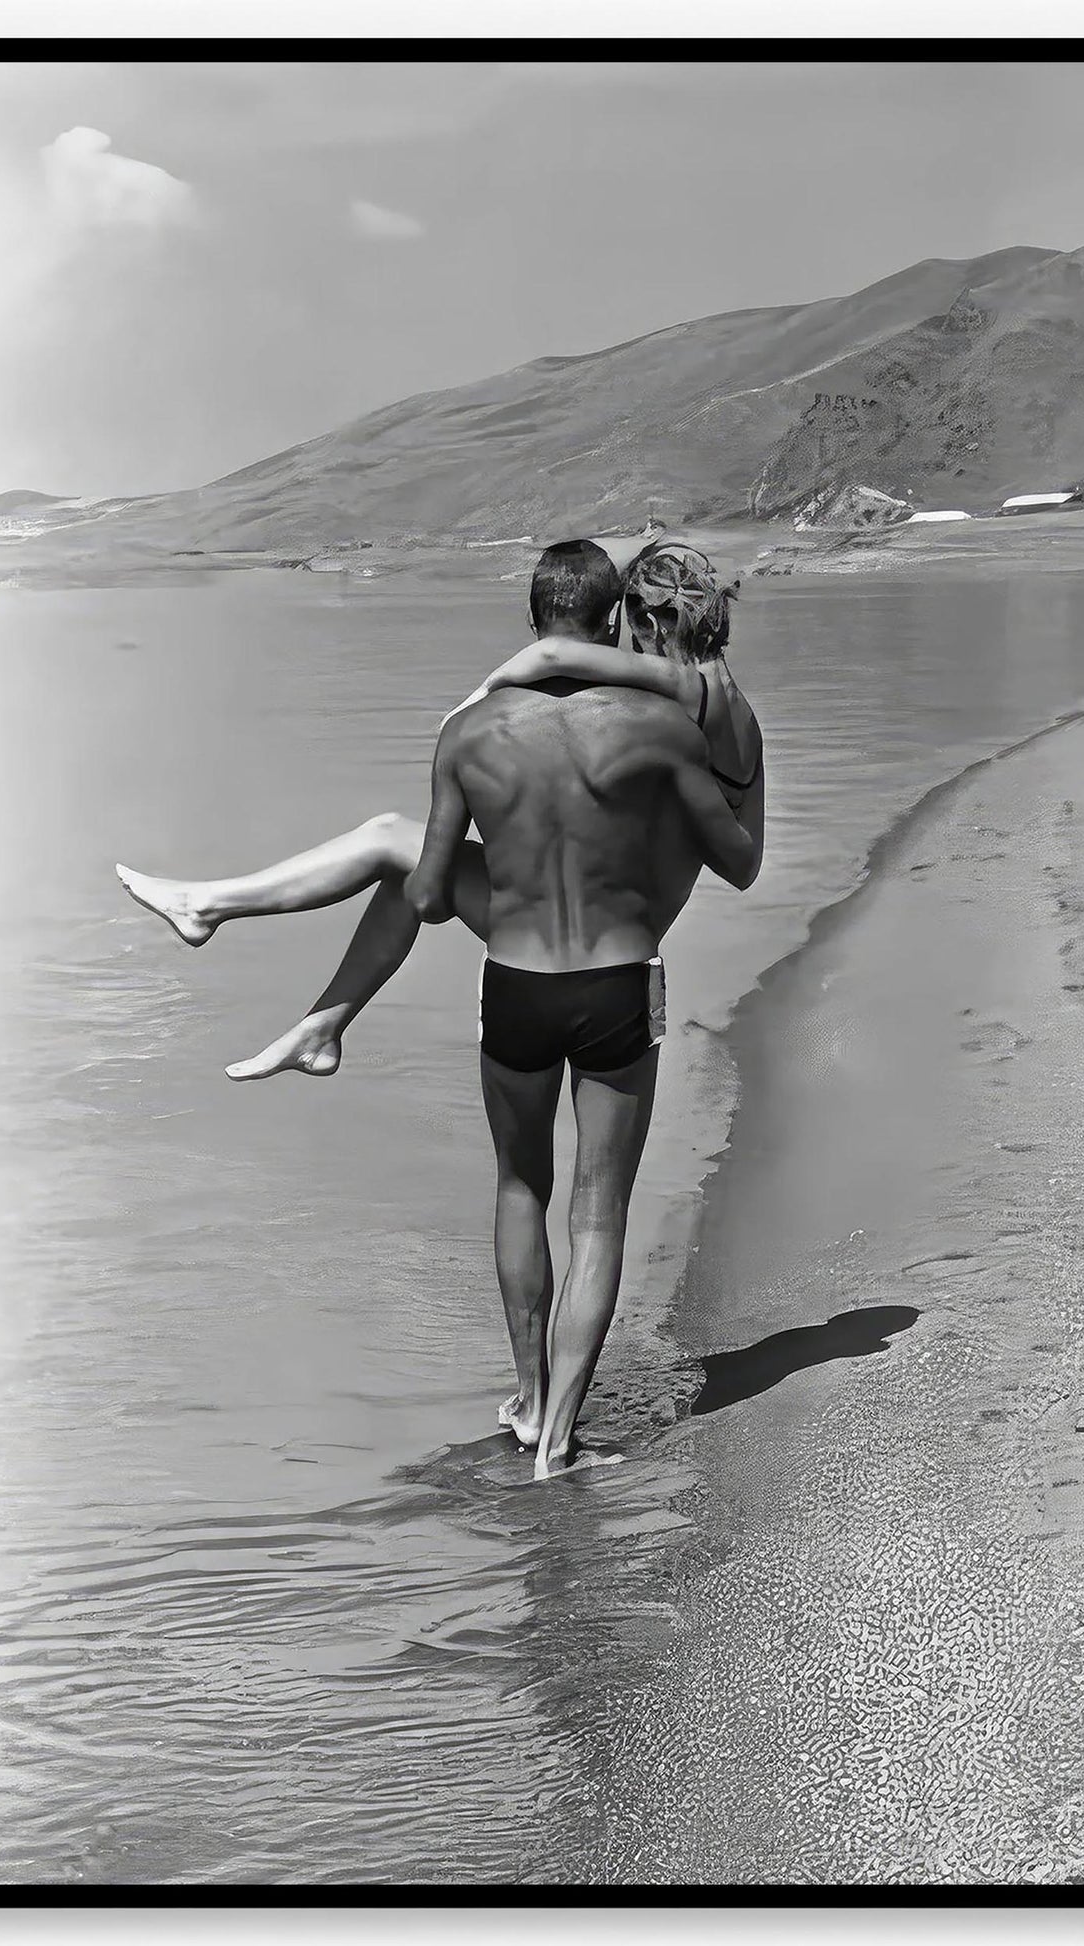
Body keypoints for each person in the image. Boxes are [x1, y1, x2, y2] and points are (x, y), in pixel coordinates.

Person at [114, 539, 763, 1083]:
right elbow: (743, 862)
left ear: (650, 623)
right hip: (629, 923)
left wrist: (479, 699)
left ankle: (210, 907)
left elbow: (552, 654)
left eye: (631, 625)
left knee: (389, 838)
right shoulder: (727, 710)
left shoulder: (689, 688)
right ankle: (322, 1028)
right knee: (405, 862)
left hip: (608, 928)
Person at [402, 564, 759, 1479]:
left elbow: (432, 898)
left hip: (515, 988)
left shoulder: (465, 733)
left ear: (531, 616)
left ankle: (524, 1399)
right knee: (598, 1215)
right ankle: (559, 1441)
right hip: (615, 986)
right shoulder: (660, 729)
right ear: (613, 624)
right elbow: (737, 860)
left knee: (520, 1187)